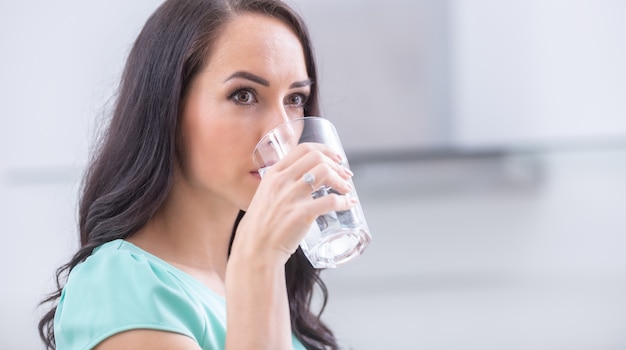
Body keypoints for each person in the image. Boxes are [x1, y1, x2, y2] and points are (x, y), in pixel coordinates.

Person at [37, 0, 358, 349]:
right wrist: (260, 259)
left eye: (295, 98)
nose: (282, 132)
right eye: (244, 95)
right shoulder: (120, 285)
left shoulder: (252, 279)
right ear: (168, 107)